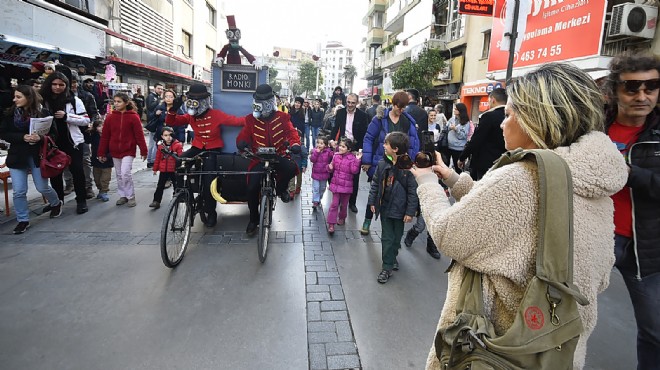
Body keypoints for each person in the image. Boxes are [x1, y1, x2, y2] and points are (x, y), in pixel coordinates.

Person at [410, 62, 628, 370]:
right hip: (556, 353)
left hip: (495, 353)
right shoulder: (592, 185)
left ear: (539, 119)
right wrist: (453, 179)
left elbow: (449, 233)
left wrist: (428, 183)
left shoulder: (523, 177)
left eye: (510, 114)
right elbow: (516, 220)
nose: (501, 123)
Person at [604, 52, 660, 369]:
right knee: (563, 313)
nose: (642, 95)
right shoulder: (593, 127)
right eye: (632, 87)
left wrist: (628, 174)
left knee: (654, 331)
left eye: (651, 86)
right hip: (593, 237)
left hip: (644, 247)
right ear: (614, 91)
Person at [165, 83, 246, 227]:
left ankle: (211, 212)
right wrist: (173, 109)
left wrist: (255, 119)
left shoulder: (216, 114)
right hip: (197, 147)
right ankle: (183, 193)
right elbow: (172, 122)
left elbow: (237, 121)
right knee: (179, 161)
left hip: (212, 149)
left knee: (209, 183)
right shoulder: (191, 116)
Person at [236, 84, 300, 235]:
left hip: (278, 154)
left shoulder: (283, 117)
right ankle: (253, 219)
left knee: (291, 168)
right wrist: (241, 143)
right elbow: (244, 135)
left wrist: (295, 143)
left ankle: (281, 189)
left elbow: (291, 132)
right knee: (251, 188)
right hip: (258, 157)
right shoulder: (251, 119)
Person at [0, 85, 63, 234]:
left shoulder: (43, 113)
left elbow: (54, 135)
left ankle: (55, 203)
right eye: (15, 96)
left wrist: (40, 138)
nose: (15, 100)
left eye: (19, 97)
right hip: (17, 156)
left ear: (29, 98)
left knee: (42, 187)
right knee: (19, 191)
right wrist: (22, 137)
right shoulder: (10, 113)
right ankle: (23, 220)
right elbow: (4, 133)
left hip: (37, 155)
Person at [359, 91, 419, 235]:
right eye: (399, 107)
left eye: (404, 108)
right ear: (393, 104)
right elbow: (368, 138)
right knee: (376, 191)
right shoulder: (379, 119)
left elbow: (414, 143)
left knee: (396, 192)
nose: (401, 110)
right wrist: (367, 160)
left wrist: (409, 161)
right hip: (381, 161)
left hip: (400, 164)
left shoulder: (407, 121)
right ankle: (367, 220)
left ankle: (391, 226)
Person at [368, 132, 418, 283]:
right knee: (387, 238)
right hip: (385, 208)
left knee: (396, 239)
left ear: (395, 149)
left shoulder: (408, 168)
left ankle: (392, 257)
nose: (383, 145)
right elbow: (375, 183)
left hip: (400, 211)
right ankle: (387, 267)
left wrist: (410, 212)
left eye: (386, 143)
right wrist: (372, 202)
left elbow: (412, 191)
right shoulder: (383, 164)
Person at [40, 72, 91, 214]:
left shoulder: (74, 100)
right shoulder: (43, 101)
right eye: (54, 84)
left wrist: (67, 116)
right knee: (54, 173)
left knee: (77, 171)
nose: (57, 87)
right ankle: (57, 201)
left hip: (72, 142)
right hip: (52, 143)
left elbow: (86, 120)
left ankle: (81, 200)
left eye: (61, 85)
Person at [402, 110, 443, 259]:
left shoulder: (438, 161)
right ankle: (411, 235)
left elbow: (443, 177)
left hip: (437, 200)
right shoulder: (419, 161)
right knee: (420, 225)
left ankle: (431, 246)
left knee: (434, 226)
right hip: (424, 199)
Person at [97, 92, 148, 207]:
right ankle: (123, 195)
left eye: (119, 101)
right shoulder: (110, 117)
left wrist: (144, 151)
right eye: (114, 101)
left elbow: (139, 135)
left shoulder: (133, 117)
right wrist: (101, 152)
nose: (116, 104)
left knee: (125, 173)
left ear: (126, 102)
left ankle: (131, 196)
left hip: (128, 150)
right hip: (114, 150)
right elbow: (105, 136)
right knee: (119, 174)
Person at [330, 93, 370, 213]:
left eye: (353, 103)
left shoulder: (363, 116)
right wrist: (332, 140)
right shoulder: (341, 113)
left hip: (355, 148)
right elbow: (335, 128)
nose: (350, 105)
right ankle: (337, 200)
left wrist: (361, 151)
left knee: (354, 177)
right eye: (348, 102)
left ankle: (352, 203)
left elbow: (365, 134)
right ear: (345, 101)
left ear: (356, 103)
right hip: (342, 147)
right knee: (338, 173)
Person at [457, 88, 506, 181]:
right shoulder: (512, 116)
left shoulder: (488, 116)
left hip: (486, 163)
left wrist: (463, 157)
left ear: (492, 99)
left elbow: (476, 140)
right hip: (504, 163)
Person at [326, 137, 361, 234]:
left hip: (347, 187)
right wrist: (329, 167)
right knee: (334, 204)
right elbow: (331, 168)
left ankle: (342, 217)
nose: (340, 148)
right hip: (336, 185)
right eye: (340, 146)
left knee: (344, 205)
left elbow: (354, 171)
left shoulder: (352, 158)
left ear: (349, 149)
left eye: (343, 147)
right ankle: (331, 223)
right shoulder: (335, 156)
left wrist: (357, 161)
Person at [149, 126, 183, 209]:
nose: (168, 137)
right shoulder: (161, 146)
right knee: (160, 185)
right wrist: (155, 169)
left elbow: (181, 157)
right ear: (162, 136)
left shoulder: (177, 145)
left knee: (176, 185)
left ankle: (176, 199)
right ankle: (156, 201)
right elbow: (157, 158)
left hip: (174, 169)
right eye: (166, 135)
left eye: (170, 135)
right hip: (164, 169)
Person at [89, 119, 113, 202]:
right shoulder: (94, 136)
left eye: (103, 125)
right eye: (99, 126)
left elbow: (112, 149)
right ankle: (100, 190)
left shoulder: (110, 136)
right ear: (95, 128)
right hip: (96, 160)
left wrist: (107, 157)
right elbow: (87, 139)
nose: (101, 128)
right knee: (97, 177)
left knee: (105, 178)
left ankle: (104, 191)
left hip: (107, 160)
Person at [310, 135, 333, 209]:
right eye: (318, 143)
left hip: (324, 174)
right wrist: (316, 153)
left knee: (322, 188)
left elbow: (333, 157)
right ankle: (315, 201)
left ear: (325, 145)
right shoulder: (314, 151)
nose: (319, 145)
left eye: (321, 143)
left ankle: (319, 198)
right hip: (316, 173)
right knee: (316, 188)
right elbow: (312, 160)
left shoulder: (328, 152)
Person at [446, 102, 471, 174]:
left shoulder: (466, 122)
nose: (454, 110)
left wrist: (456, 129)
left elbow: (463, 136)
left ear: (461, 111)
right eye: (454, 109)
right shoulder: (452, 119)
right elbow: (446, 128)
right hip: (448, 146)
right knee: (447, 165)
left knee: (458, 168)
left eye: (456, 109)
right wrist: (449, 128)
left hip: (458, 148)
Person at [145, 83, 163, 168]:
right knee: (154, 142)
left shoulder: (157, 97)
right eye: (159, 88)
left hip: (155, 122)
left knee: (154, 142)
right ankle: (151, 160)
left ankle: (151, 160)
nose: (160, 90)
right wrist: (158, 102)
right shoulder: (151, 96)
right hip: (153, 122)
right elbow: (150, 107)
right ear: (154, 88)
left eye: (161, 89)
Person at [288, 129, 308, 198]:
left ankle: (298, 187)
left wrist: (304, 165)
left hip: (299, 166)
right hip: (291, 166)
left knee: (299, 178)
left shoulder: (302, 147)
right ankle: (292, 190)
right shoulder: (290, 146)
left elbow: (305, 157)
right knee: (291, 178)